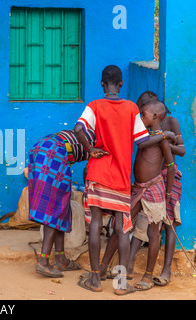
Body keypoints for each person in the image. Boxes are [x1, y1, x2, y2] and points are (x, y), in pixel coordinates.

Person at [74, 65, 157, 295]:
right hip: (120, 177)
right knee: (123, 229)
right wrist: (162, 136)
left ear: (102, 84)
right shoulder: (131, 108)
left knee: (96, 225)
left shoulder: (94, 106)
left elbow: (78, 128)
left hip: (98, 173)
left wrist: (90, 149)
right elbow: (142, 140)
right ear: (121, 84)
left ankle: (94, 279)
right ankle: (120, 284)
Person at [127, 91, 185, 287]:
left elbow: (182, 150)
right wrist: (160, 138)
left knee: (167, 225)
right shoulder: (148, 128)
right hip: (150, 182)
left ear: (154, 112)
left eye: (143, 112)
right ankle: (128, 265)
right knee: (141, 224)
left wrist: (164, 141)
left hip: (168, 179)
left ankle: (166, 269)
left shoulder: (171, 123)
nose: (141, 117)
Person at [28, 128, 97, 278]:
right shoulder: (99, 142)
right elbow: (88, 170)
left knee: (61, 206)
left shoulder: (88, 132)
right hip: (52, 153)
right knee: (53, 208)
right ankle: (44, 262)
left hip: (42, 148)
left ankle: (61, 259)